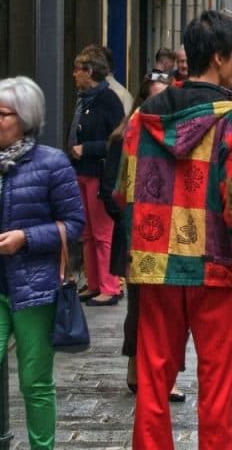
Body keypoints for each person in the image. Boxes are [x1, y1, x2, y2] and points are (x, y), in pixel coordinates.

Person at [118, 11, 232, 449]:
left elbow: (125, 193)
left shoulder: (143, 120)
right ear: (219, 58)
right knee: (216, 388)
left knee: (153, 383)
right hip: (214, 269)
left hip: (155, 264)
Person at [0, 76, 86, 450]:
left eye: (2, 113)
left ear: (25, 117)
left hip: (34, 286)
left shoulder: (52, 163)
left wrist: (26, 238)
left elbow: (75, 224)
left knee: (34, 381)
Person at [98, 69, 188, 402]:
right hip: (137, 236)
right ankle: (137, 367)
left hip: (173, 235)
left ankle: (169, 376)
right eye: (153, 97)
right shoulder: (124, 137)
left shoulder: (178, 137)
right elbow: (109, 191)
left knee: (174, 310)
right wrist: (131, 221)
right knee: (139, 308)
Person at [68, 44, 125, 306]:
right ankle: (93, 283)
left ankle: (109, 285)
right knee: (87, 233)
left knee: (103, 233)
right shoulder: (84, 100)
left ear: (89, 71)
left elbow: (118, 140)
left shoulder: (109, 100)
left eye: (78, 69)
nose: (74, 74)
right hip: (82, 171)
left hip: (99, 172)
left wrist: (87, 148)